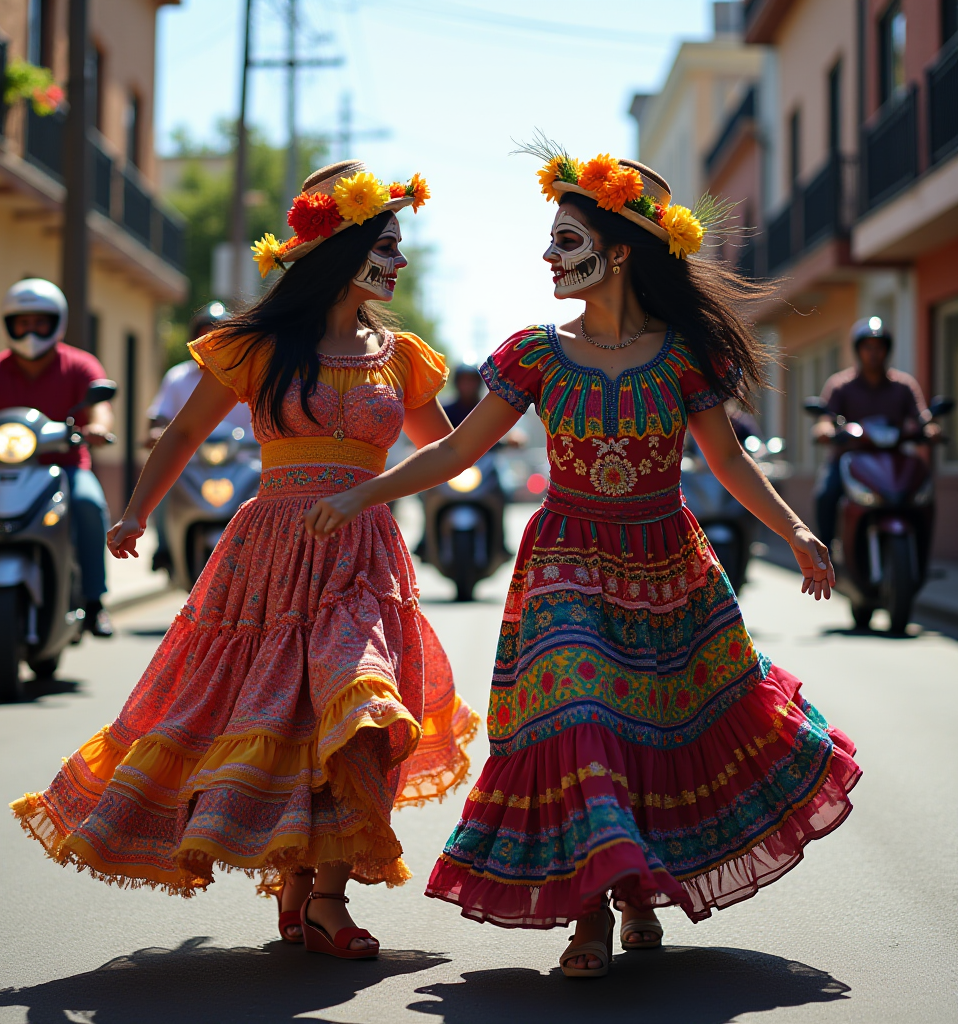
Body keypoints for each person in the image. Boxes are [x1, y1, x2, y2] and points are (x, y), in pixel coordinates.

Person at [304, 147, 860, 976]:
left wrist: (793, 529)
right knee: (586, 716)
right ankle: (591, 915)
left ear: (621, 251)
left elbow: (730, 463)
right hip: (565, 560)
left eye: (565, 240)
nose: (549, 257)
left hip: (667, 565)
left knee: (655, 728)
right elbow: (457, 451)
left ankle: (637, 892)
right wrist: (363, 493)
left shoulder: (682, 357)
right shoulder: (533, 353)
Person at [11, 161, 477, 959]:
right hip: (268, 558)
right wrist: (134, 510)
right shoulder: (257, 347)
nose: (399, 263)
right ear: (342, 251)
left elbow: (452, 447)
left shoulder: (402, 356)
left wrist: (535, 404)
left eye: (401, 247)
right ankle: (298, 886)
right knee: (287, 717)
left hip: (363, 555)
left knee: (358, 711)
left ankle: (325, 898)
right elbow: (184, 435)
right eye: (387, 246)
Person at [0, 279, 115, 637]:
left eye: (40, 322)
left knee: (88, 504)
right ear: (8, 324)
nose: (30, 330)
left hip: (65, 467)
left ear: (56, 322)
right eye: (22, 322)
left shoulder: (80, 365)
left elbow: (101, 408)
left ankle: (94, 602)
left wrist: (97, 427)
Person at [146, 301, 255, 572]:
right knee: (167, 485)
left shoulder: (248, 373)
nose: (211, 341)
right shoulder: (178, 377)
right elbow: (160, 415)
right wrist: (155, 431)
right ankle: (164, 545)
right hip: (193, 464)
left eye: (219, 334)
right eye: (205, 334)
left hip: (242, 464)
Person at [812, 316, 934, 545]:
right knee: (825, 494)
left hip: (895, 461)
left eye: (879, 347)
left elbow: (922, 417)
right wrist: (824, 429)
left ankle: (921, 549)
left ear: (887, 350)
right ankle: (825, 555)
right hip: (849, 459)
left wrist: (930, 427)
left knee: (923, 491)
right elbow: (826, 419)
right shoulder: (840, 385)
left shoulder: (904, 385)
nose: (873, 353)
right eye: (868, 347)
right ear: (858, 350)